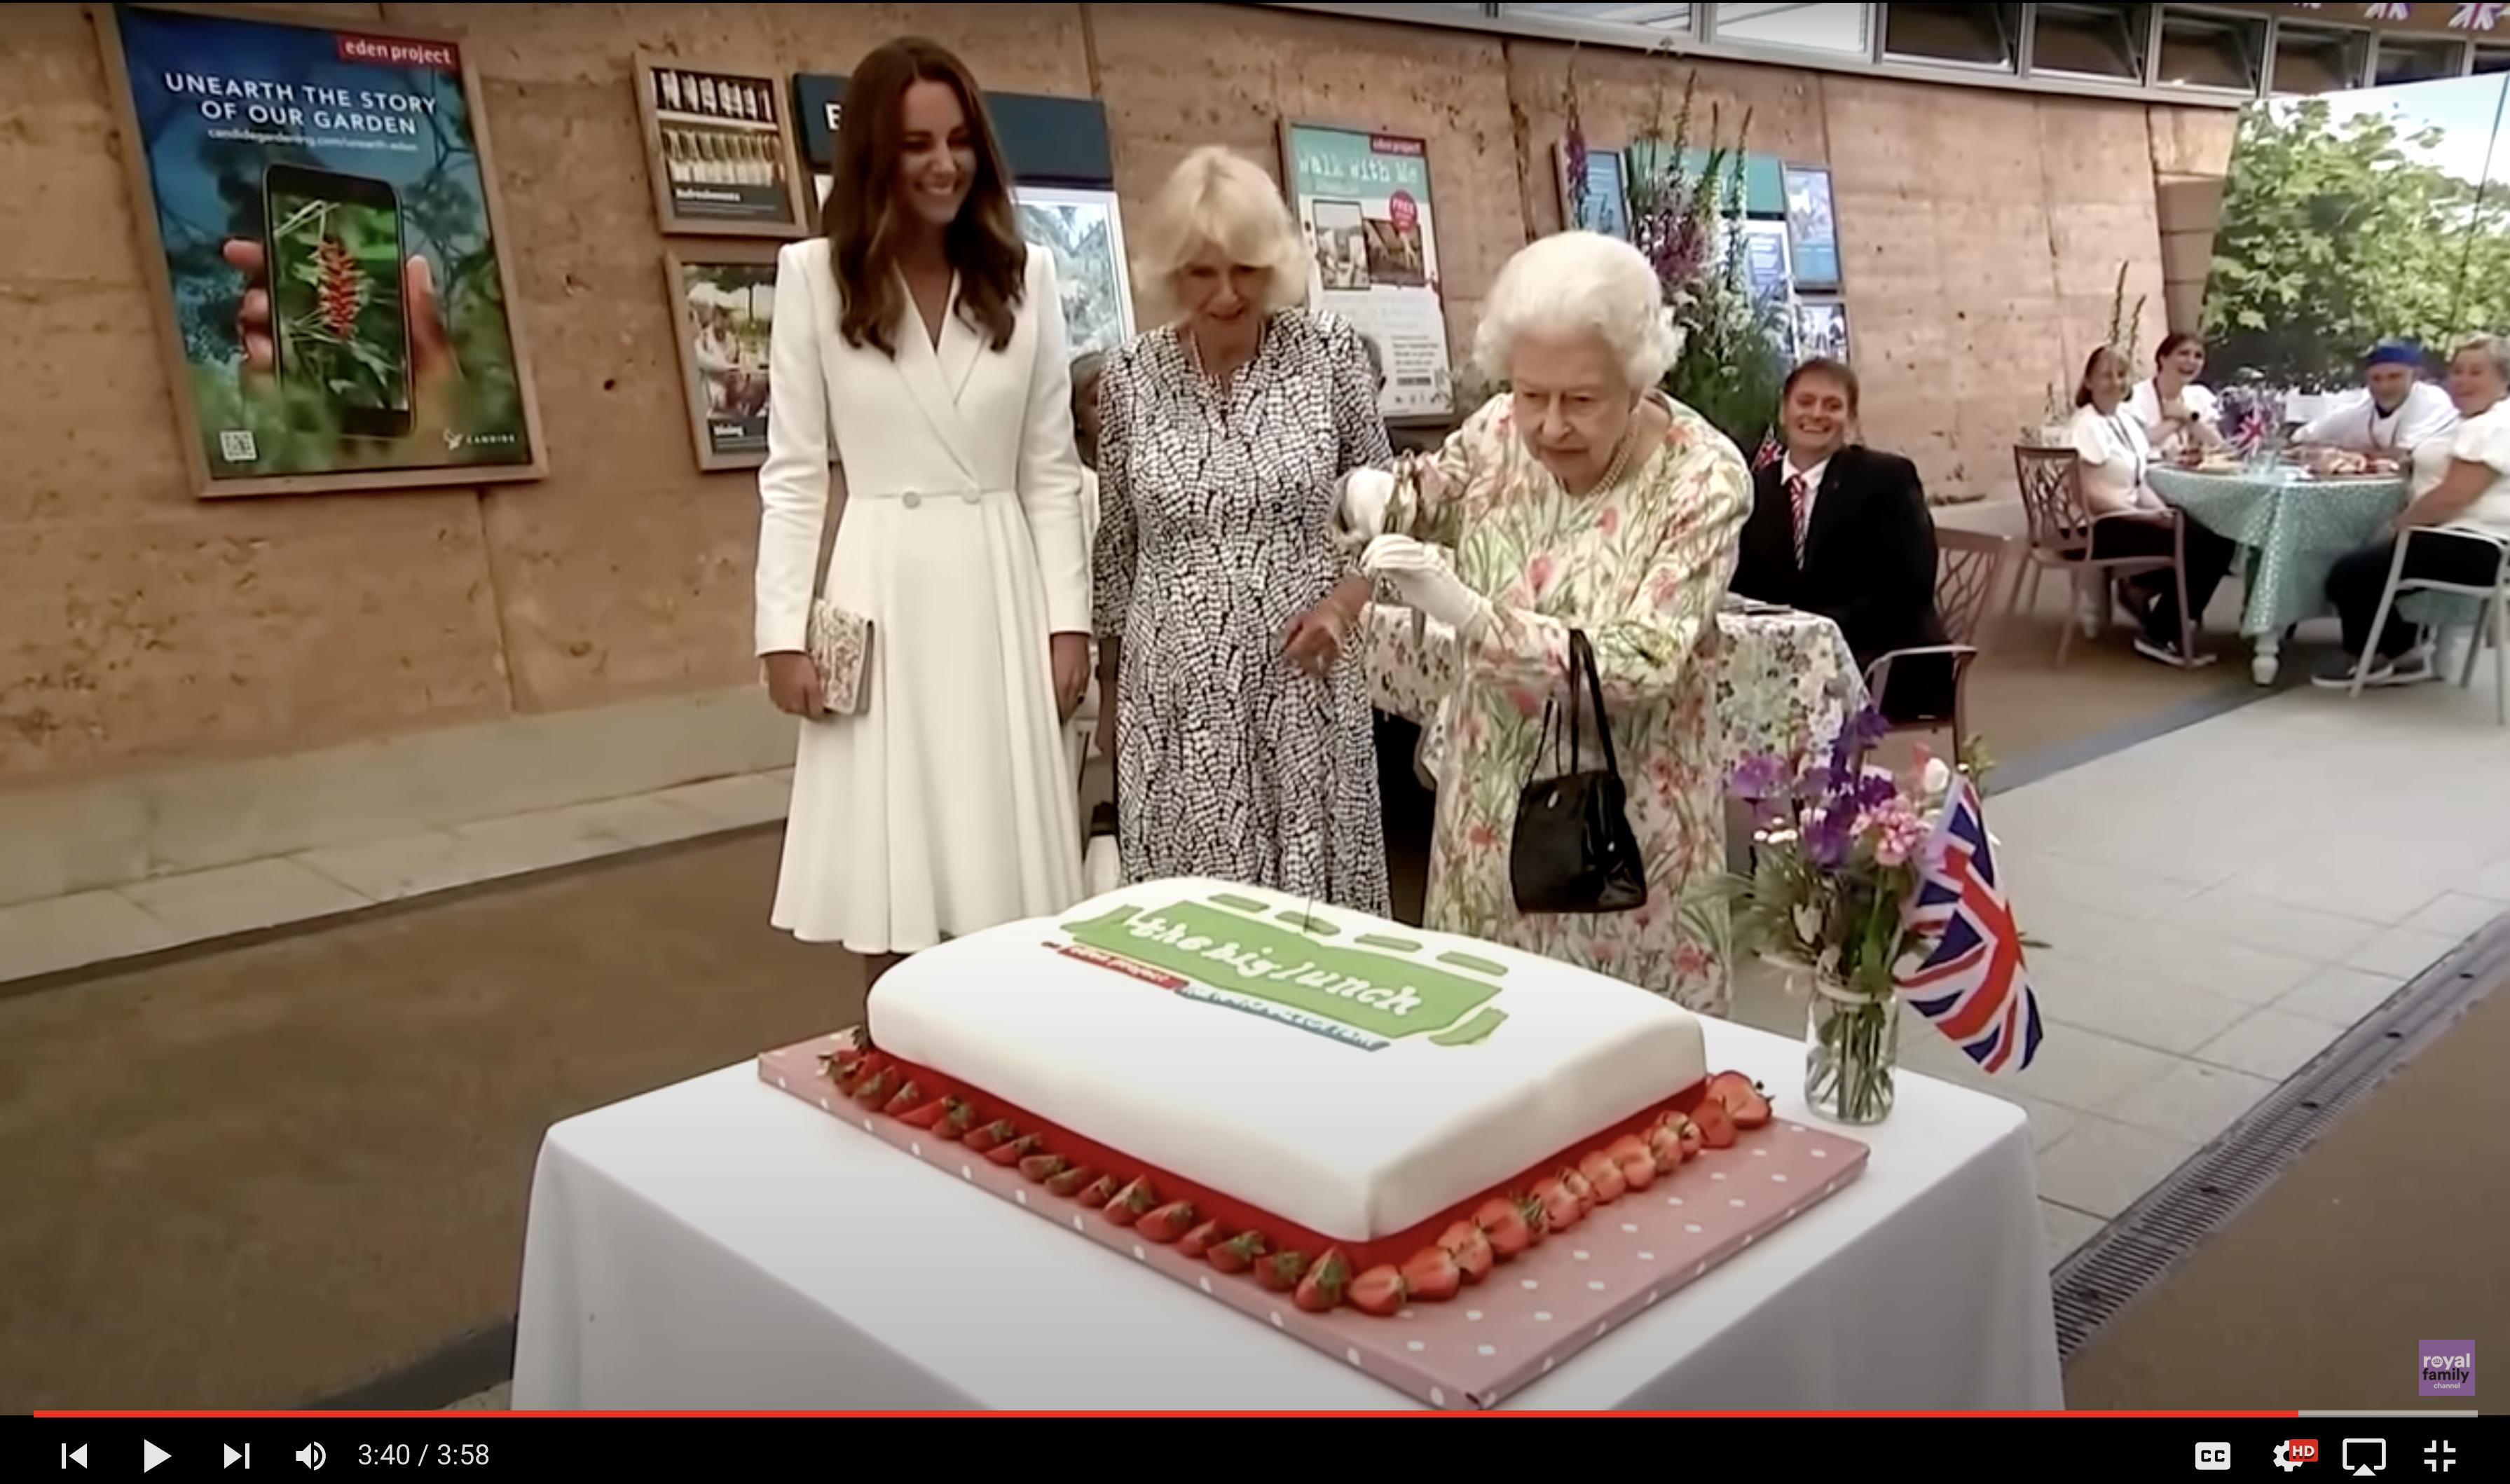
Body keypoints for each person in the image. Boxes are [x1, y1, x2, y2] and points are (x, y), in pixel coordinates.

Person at [754, 38, 1090, 988]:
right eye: (914, 145)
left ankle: (1012, 1062)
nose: (943, 164)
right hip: (879, 585)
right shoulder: (815, 279)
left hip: (998, 583)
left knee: (1004, 856)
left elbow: (1050, 470)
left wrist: (1070, 622)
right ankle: (895, 1050)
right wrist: (780, 629)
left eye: (957, 141)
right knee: (888, 862)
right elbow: (791, 472)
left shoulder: (1026, 280)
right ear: (872, 155)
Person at [1351, 231, 1750, 1012]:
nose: (1549, 426)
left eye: (1582, 400)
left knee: (1618, 1067)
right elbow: (1428, 493)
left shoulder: (1702, 478)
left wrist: (1472, 617)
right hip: (1488, 818)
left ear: (1638, 380)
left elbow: (1643, 659)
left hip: (1621, 836)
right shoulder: (1498, 431)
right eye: (1532, 393)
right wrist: (1369, 497)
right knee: (1484, 1038)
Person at [1090, 146, 1392, 912]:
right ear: (1169, 272)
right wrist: (1109, 689)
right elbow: (1119, 542)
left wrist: (1346, 606)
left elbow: (1393, 515)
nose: (1226, 294)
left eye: (1246, 270)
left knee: (1313, 923)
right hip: (1176, 694)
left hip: (1304, 679)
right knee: (1197, 916)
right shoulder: (1128, 377)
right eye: (1201, 272)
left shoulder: (1330, 354)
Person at [1731, 357, 1948, 722]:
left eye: (1833, 406)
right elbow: (1743, 583)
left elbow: (1909, 587)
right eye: (1805, 402)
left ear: (1850, 420)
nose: (1817, 414)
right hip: (1781, 658)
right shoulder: (1755, 489)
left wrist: (1816, 631)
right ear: (1784, 412)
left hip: (1879, 659)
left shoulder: (1887, 479)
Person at [2315, 335, 2510, 689]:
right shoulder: (2475, 421)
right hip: (2466, 540)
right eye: (2457, 371)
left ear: (2504, 379)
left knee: (2348, 573)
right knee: (2365, 565)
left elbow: (2454, 495)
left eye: (2476, 372)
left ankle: (2369, 658)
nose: (2463, 381)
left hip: (2473, 544)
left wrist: (2399, 525)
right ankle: (2405, 652)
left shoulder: (2494, 426)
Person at [2069, 345, 2239, 668]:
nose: (2115, 382)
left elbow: (2139, 482)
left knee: (2215, 536)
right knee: (2201, 543)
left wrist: (2163, 513)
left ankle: (2156, 615)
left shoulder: (2125, 421)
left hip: (2129, 517)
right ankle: (2160, 634)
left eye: (2121, 375)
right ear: (2089, 382)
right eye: (2106, 375)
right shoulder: (2086, 425)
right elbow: (2088, 494)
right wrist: (2144, 517)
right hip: (2103, 523)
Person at [2294, 341, 2461, 495]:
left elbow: (2401, 456)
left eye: (2394, 377)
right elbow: (2301, 438)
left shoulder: (2432, 401)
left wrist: (2344, 455)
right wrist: (2318, 452)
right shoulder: (2362, 406)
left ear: (2415, 375)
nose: (2384, 386)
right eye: (2376, 379)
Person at [2124, 332, 2223, 459]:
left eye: (2198, 356)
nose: (2191, 361)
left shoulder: (2201, 395)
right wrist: (2175, 422)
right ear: (2163, 358)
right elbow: (2134, 443)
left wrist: (2188, 416)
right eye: (2183, 354)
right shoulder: (2135, 396)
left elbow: (2219, 445)